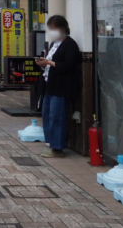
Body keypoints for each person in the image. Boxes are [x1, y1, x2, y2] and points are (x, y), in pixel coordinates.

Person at [35, 15, 82, 158]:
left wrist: (48, 63)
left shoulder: (70, 44)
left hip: (63, 86)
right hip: (50, 83)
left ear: (62, 28)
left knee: (57, 116)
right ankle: (51, 143)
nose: (51, 32)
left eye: (53, 29)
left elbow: (68, 65)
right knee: (47, 114)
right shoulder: (53, 44)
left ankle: (57, 147)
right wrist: (44, 63)